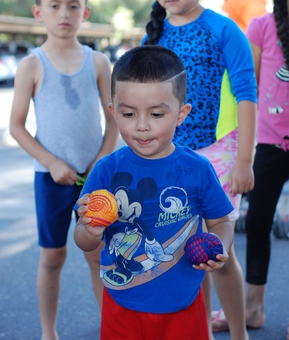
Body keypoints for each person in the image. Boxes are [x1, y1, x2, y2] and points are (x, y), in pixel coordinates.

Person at [74, 45, 235, 340]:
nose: (142, 126)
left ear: (181, 114)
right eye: (128, 113)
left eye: (157, 113)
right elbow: (82, 241)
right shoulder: (105, 171)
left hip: (184, 302)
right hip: (122, 303)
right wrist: (90, 231)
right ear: (113, 112)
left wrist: (218, 243)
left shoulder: (197, 168)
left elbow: (222, 221)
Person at [143, 0, 257, 340]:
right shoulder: (153, 35)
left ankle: (240, 334)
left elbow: (247, 94)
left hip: (220, 152)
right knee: (186, 252)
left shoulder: (224, 28)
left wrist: (245, 161)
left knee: (217, 252)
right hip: (169, 154)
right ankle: (202, 332)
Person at [9, 0, 119, 340]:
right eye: (54, 6)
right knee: (52, 257)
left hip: (95, 175)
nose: (64, 14)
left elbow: (114, 120)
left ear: (85, 12)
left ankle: (112, 328)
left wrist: (103, 158)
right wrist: (52, 161)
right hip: (51, 177)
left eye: (74, 6)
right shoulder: (31, 65)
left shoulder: (99, 62)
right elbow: (17, 126)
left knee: (97, 254)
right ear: (39, 12)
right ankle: (49, 332)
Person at [244, 0, 289, 340]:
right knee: (258, 224)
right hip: (266, 143)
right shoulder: (260, 27)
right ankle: (254, 307)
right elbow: (247, 89)